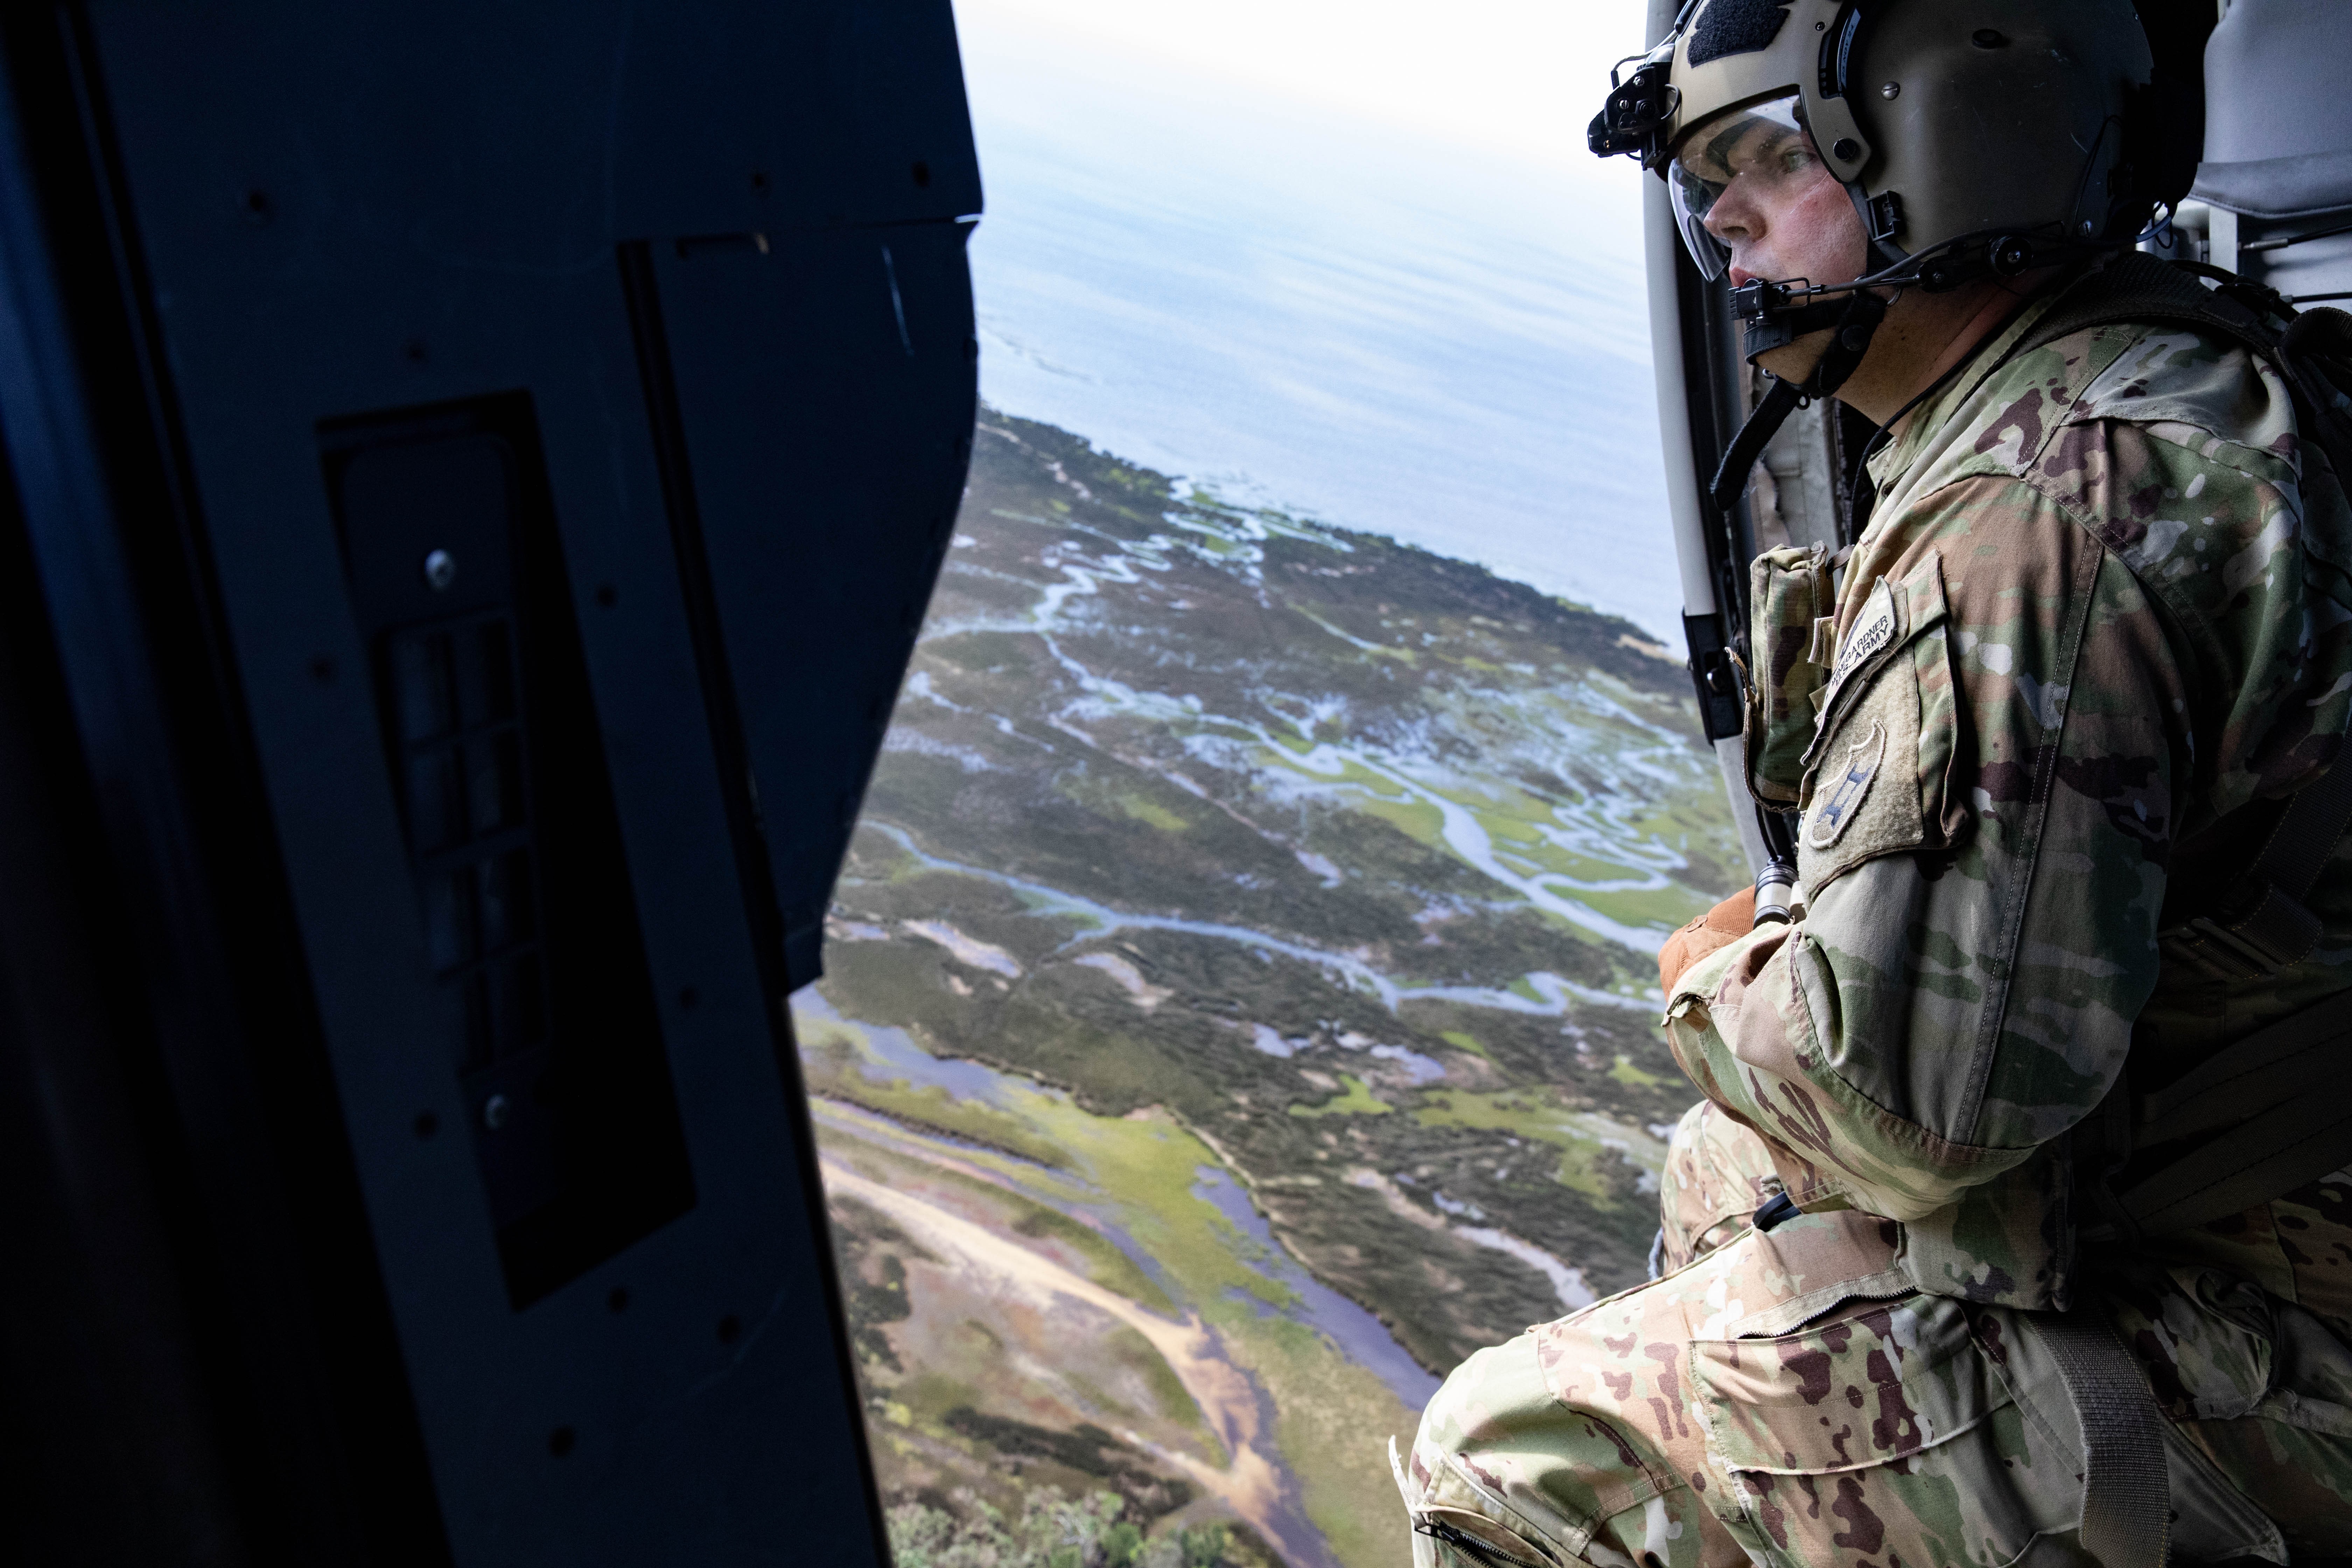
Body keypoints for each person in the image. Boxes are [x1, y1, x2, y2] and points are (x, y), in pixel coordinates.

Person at [1393, 1, 2352, 1564]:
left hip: (2290, 1314)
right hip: (2255, 1192)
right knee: (1728, 1172)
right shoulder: (2183, 374)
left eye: (1767, 161)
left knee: (1516, 1453)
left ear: (1951, 158)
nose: (1720, 218)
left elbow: (1903, 1109)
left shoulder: (2039, 506)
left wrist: (1714, 974)